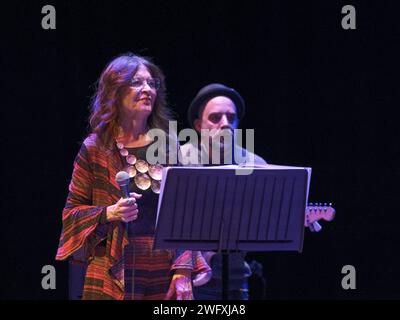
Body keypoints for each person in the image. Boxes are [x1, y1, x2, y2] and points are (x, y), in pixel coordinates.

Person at [56, 53, 210, 300]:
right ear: (115, 92)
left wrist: (183, 269)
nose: (147, 89)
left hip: (163, 267)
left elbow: (185, 215)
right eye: (137, 82)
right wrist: (109, 212)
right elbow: (71, 214)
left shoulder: (168, 146)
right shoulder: (96, 148)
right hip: (112, 266)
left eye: (152, 83)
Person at [181, 83, 267, 300]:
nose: (225, 124)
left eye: (231, 117)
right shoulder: (179, 161)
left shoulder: (255, 165)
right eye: (216, 117)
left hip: (236, 279)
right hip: (189, 278)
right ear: (199, 125)